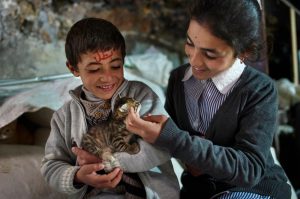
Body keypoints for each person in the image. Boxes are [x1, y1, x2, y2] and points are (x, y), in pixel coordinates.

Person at [125, 0, 292, 198]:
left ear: (244, 52)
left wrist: (172, 138)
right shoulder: (178, 80)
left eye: (210, 53)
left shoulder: (259, 90)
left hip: (252, 190)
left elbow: (250, 170)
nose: (194, 61)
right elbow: (168, 145)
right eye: (190, 43)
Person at [40, 17, 180, 199]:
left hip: (149, 194)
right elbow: (52, 165)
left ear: (123, 60)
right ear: (73, 68)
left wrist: (108, 162)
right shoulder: (64, 117)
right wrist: (77, 176)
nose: (107, 77)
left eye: (115, 66)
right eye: (94, 69)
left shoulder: (140, 97)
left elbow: (163, 146)